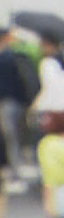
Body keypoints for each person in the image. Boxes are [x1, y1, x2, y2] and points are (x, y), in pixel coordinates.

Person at [0, 27, 31, 186]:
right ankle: (14, 169)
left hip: (7, 103)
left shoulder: (6, 57)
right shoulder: (17, 56)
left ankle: (14, 171)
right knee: (14, 137)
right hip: (18, 102)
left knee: (10, 138)